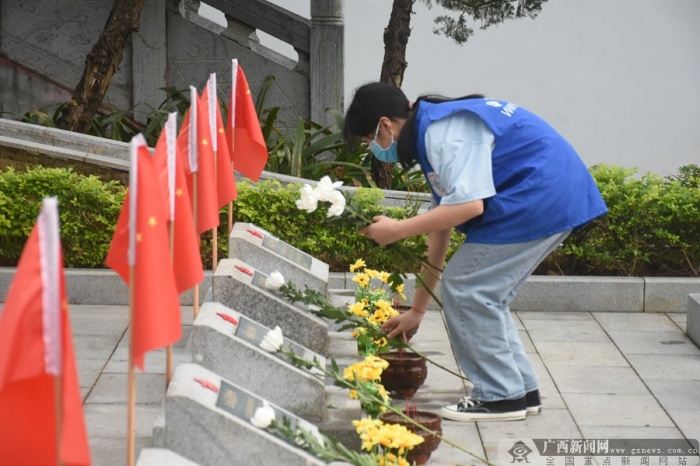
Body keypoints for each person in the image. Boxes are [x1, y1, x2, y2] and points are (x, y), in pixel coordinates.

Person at [343, 82, 608, 422]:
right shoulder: (432, 130)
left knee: (469, 288)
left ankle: (500, 396)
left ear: (385, 125)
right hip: (552, 194)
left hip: (541, 195)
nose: (375, 150)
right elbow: (439, 229)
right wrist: (418, 311)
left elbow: (469, 206)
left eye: (369, 141)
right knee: (482, 293)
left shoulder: (443, 134)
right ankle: (521, 391)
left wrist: (396, 229)